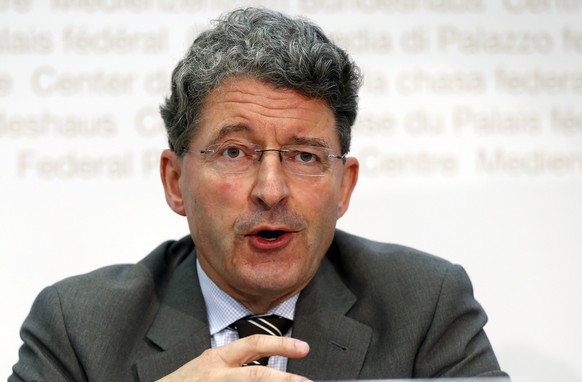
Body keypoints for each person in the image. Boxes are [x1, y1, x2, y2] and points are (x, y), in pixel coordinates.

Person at [9, 7, 508, 382]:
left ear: (344, 187)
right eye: (234, 152)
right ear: (174, 181)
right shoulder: (79, 326)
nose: (272, 191)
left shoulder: (424, 305)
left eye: (305, 156)